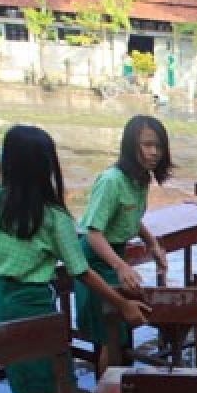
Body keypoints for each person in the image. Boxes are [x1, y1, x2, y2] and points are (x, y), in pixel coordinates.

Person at [0, 125, 149, 393]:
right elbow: (82, 271)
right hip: (33, 304)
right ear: (48, 167)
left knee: (28, 387)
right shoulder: (53, 218)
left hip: (0, 295)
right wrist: (122, 304)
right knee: (42, 392)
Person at [75, 115, 171, 372]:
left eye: (159, 146)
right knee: (111, 337)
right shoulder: (111, 181)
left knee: (126, 322)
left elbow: (132, 216)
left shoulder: (140, 179)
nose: (154, 152)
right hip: (95, 260)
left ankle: (123, 385)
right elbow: (93, 233)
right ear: (130, 146)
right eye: (147, 145)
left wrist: (152, 245)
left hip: (115, 254)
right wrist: (120, 266)